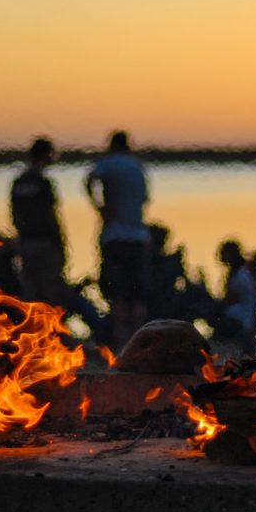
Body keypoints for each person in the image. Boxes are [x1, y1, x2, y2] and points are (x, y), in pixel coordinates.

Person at [85, 129, 150, 348]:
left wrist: (99, 206)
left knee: (118, 294)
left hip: (114, 238)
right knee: (138, 295)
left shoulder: (108, 163)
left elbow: (89, 179)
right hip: (138, 237)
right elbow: (146, 199)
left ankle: (120, 343)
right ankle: (139, 343)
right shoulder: (138, 166)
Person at [10, 137, 68, 308]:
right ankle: (52, 332)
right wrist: (60, 242)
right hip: (45, 243)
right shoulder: (43, 183)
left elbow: (14, 215)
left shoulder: (19, 183)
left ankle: (32, 331)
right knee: (50, 293)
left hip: (26, 243)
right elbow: (50, 214)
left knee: (30, 292)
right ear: (46, 155)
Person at [213, 239, 256, 356]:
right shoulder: (241, 273)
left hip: (238, 324)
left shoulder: (240, 276)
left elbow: (232, 298)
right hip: (241, 324)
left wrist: (214, 305)